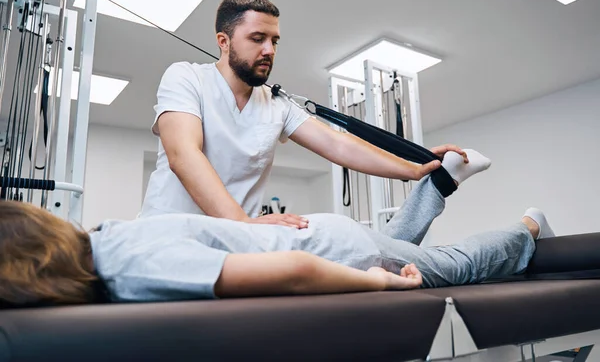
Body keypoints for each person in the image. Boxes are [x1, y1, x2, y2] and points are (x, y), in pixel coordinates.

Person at [0, 150, 555, 306]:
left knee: (454, 268)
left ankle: (529, 225)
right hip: (329, 235)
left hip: (334, 253)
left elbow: (294, 271)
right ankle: (437, 185)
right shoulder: (109, 233)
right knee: (396, 246)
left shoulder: (124, 266)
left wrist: (389, 285)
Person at [140, 0, 468, 228]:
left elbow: (338, 145)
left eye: (274, 40)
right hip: (169, 235)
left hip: (235, 241)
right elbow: (183, 155)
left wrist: (413, 165)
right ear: (223, 41)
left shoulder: (277, 104)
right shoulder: (186, 77)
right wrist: (244, 222)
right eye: (257, 38)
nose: (269, 49)